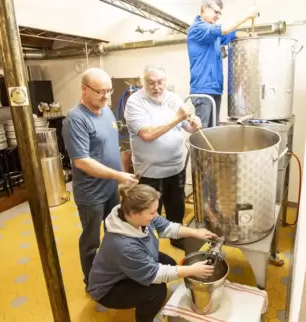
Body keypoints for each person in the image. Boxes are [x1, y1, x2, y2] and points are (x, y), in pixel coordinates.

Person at [87, 184, 218, 322]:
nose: (155, 215)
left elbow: (166, 227)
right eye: (152, 213)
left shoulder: (135, 216)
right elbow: (154, 274)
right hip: (110, 288)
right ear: (133, 213)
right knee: (157, 292)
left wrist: (195, 232)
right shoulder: (124, 245)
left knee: (170, 263)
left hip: (129, 268)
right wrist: (192, 270)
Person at [62, 68, 139, 289]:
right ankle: (92, 282)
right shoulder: (75, 119)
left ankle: (111, 271)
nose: (105, 96)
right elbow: (82, 161)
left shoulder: (106, 111)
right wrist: (119, 175)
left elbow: (110, 146)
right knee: (91, 241)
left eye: (109, 90)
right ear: (84, 89)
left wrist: (124, 166)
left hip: (111, 189)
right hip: (91, 194)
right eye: (99, 91)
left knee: (113, 231)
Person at [124, 64, 202, 250]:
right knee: (149, 214)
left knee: (177, 207)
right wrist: (177, 117)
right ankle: (147, 247)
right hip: (150, 172)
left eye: (160, 82)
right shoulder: (135, 102)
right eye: (151, 83)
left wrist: (194, 124)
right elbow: (147, 134)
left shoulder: (173, 99)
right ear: (144, 82)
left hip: (176, 168)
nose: (157, 87)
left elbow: (186, 127)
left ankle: (177, 238)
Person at [187, 0, 260, 128]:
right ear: (205, 8)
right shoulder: (198, 28)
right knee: (202, 135)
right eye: (216, 12)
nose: (218, 16)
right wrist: (247, 15)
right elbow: (225, 29)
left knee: (212, 132)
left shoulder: (214, 35)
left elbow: (232, 34)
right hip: (203, 90)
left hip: (215, 89)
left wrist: (249, 35)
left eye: (220, 13)